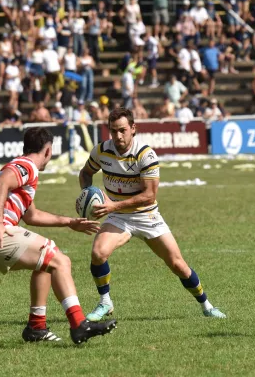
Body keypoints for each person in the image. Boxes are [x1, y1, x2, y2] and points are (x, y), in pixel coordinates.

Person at [0, 127, 117, 344]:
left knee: (45, 264)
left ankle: (36, 328)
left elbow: (32, 215)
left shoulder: (23, 169)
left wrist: (70, 222)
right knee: (59, 259)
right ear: (47, 151)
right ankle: (79, 324)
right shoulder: (26, 165)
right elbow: (0, 184)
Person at [78, 108, 226, 321]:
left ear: (133, 129)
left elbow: (149, 196)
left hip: (147, 216)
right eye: (113, 131)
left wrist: (112, 206)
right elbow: (86, 173)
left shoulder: (145, 155)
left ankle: (207, 305)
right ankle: (105, 302)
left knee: (178, 265)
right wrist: (86, 193)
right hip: (118, 217)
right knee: (98, 253)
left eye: (122, 130)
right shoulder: (101, 151)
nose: (117, 136)